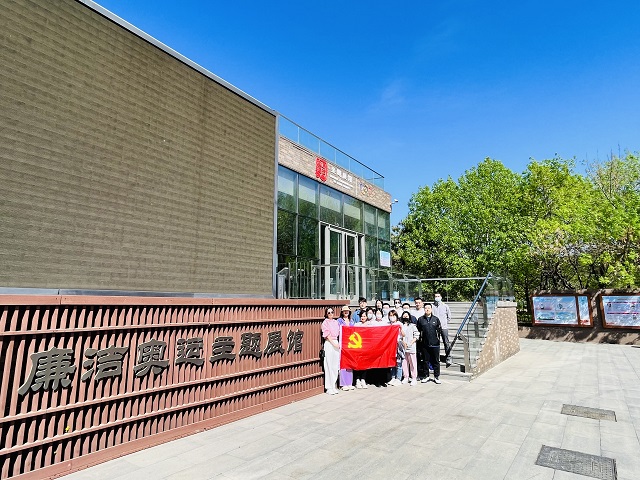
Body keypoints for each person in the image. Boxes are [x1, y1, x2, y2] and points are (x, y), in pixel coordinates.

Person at [416, 303, 447, 384]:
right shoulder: (421, 319)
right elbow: (418, 330)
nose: (427, 309)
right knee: (425, 360)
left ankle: (436, 376)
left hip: (435, 344)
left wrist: (437, 339)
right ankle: (426, 376)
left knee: (436, 361)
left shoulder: (436, 319)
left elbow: (439, 330)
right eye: (426, 308)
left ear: (431, 309)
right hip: (425, 344)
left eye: (429, 308)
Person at [321, 307, 340, 395]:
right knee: (328, 365)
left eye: (332, 312)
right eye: (329, 312)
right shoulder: (325, 322)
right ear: (326, 314)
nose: (331, 314)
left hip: (336, 342)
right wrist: (333, 343)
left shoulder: (336, 322)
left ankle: (333, 385)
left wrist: (337, 343)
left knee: (335, 365)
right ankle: (329, 387)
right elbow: (327, 334)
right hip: (329, 343)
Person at [337, 305, 355, 391]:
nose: (346, 312)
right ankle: (343, 383)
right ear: (342, 312)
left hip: (351, 344)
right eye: (344, 311)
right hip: (343, 344)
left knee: (350, 363)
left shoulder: (352, 321)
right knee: (343, 363)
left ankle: (349, 382)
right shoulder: (339, 321)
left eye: (347, 311)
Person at [432, 293, 452, 366]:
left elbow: (449, 317)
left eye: (438, 296)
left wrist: (444, 323)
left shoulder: (445, 306)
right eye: (436, 296)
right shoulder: (432, 306)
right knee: (436, 343)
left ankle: (448, 357)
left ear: (441, 297)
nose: (437, 297)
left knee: (446, 342)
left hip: (444, 327)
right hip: (435, 328)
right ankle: (437, 358)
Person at [354, 309, 372, 389]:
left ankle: (363, 379)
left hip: (366, 347)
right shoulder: (356, 325)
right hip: (358, 347)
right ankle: (357, 379)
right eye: (362, 316)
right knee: (358, 364)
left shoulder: (369, 325)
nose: (363, 317)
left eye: (364, 316)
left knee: (365, 364)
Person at [400, 311, 419, 385]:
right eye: (404, 316)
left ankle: (414, 378)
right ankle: (406, 377)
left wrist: (411, 343)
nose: (405, 317)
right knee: (404, 363)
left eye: (407, 316)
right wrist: (403, 343)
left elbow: (416, 335)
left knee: (413, 363)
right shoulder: (400, 326)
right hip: (403, 347)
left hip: (411, 347)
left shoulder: (412, 326)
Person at [386, 310, 404, 386]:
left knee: (399, 362)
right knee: (392, 362)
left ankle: (398, 378)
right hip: (390, 345)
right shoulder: (387, 324)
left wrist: (401, 328)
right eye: (390, 315)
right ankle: (393, 377)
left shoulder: (399, 324)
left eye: (393, 315)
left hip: (398, 344)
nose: (392, 317)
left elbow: (403, 335)